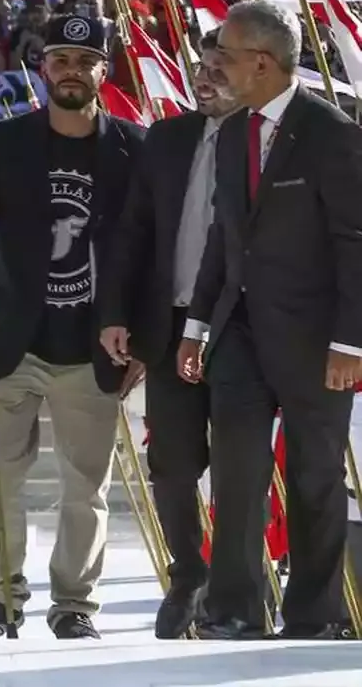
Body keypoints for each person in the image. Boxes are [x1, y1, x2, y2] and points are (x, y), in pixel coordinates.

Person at [183, 0, 362, 640]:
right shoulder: (230, 133)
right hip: (239, 335)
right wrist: (196, 327)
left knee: (315, 476)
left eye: (225, 55)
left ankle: (315, 613)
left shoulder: (331, 132)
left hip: (319, 342)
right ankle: (232, 608)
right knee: (235, 473)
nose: (215, 67)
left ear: (261, 62)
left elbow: (355, 242)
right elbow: (220, 241)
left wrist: (352, 342)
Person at [0, 14, 145, 641]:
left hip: (94, 346)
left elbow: (148, 248)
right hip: (12, 339)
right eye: (60, 59)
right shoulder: (6, 141)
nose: (72, 70)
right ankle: (0, 598)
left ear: (104, 70)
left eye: (85, 60)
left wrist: (142, 337)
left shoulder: (133, 146)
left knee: (85, 490)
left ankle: (74, 603)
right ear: (43, 68)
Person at [101, 32, 240, 638]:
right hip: (172, 327)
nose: (204, 79)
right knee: (173, 466)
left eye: (219, 69)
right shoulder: (167, 138)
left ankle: (237, 589)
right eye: (200, 68)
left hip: (246, 332)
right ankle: (189, 577)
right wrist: (115, 313)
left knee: (242, 467)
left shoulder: (275, 143)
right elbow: (132, 234)